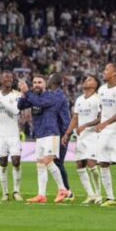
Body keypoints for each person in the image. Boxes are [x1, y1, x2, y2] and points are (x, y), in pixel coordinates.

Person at [17, 75, 69, 204]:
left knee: (48, 161)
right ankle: (41, 195)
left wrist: (27, 92)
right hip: (39, 135)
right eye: (34, 82)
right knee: (40, 165)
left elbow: (40, 103)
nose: (36, 85)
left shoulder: (51, 96)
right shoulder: (33, 97)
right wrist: (24, 94)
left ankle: (63, 190)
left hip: (51, 133)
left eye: (40, 82)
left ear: (45, 84)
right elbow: (20, 106)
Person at [62, 75, 102, 205]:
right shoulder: (79, 99)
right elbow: (75, 118)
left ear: (96, 85)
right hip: (81, 137)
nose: (86, 80)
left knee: (92, 165)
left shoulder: (98, 99)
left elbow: (101, 118)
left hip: (93, 136)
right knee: (79, 164)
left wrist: (85, 125)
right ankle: (90, 195)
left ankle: (98, 194)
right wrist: (67, 134)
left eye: (90, 79)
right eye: (85, 79)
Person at [95, 63, 116, 207]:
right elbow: (102, 109)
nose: (104, 72)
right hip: (104, 132)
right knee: (103, 163)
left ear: (114, 73)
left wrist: (106, 123)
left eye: (107, 69)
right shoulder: (102, 89)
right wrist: (99, 123)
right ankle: (110, 198)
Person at [0, 71, 23, 202]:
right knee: (2, 163)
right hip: (0, 135)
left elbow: (16, 110)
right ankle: (5, 193)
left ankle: (17, 191)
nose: (9, 79)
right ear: (0, 79)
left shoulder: (17, 95)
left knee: (16, 161)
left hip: (13, 134)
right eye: (6, 77)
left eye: (11, 77)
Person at [49, 73, 73, 201]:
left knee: (58, 162)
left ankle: (67, 191)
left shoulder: (57, 96)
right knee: (56, 162)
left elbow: (63, 118)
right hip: (58, 132)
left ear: (53, 81)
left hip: (61, 133)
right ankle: (66, 191)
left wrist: (66, 134)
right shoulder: (56, 95)